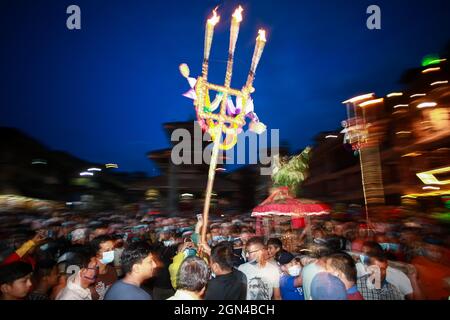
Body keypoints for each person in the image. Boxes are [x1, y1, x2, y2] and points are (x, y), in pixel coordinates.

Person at [90, 235, 118, 300]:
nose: (112, 252)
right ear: (97, 254)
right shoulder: (89, 273)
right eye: (107, 251)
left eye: (113, 249)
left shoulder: (112, 270)